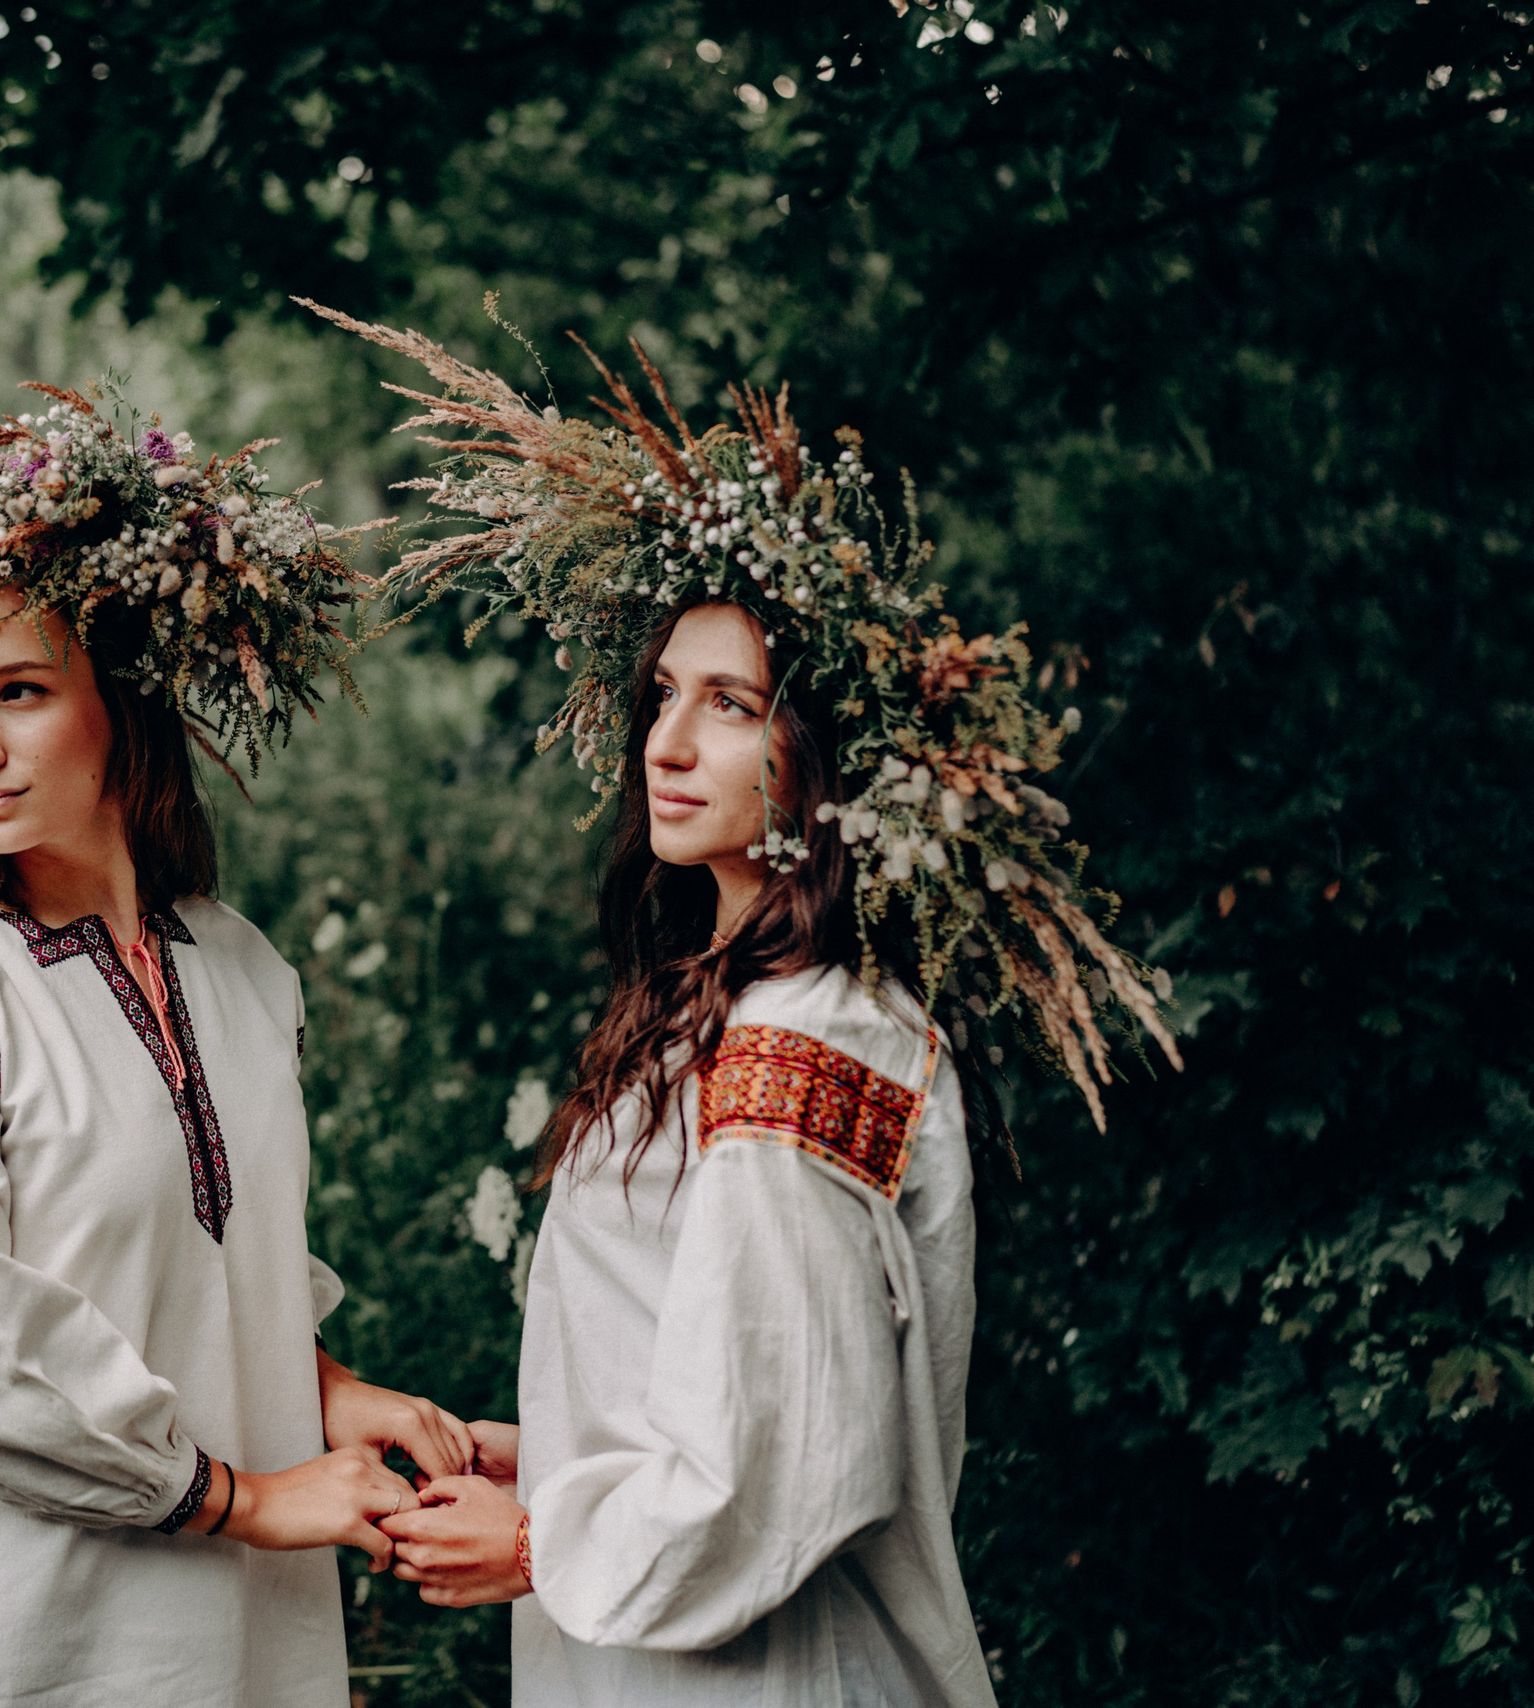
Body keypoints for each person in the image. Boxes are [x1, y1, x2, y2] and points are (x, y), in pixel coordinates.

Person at [306, 302, 1182, 1708]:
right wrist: (549, 1460)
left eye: (730, 703)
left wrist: (538, 1543)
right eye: (664, 693)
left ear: (822, 751)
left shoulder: (807, 1038)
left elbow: (801, 1447)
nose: (665, 741)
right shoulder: (724, 1008)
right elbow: (707, 1370)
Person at [0, 393, 473, 1708]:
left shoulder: (241, 969)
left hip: (237, 1638)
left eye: (19, 691)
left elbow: (199, 1272)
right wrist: (247, 1497)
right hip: (20, 1637)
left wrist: (326, 1387)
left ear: (123, 699)